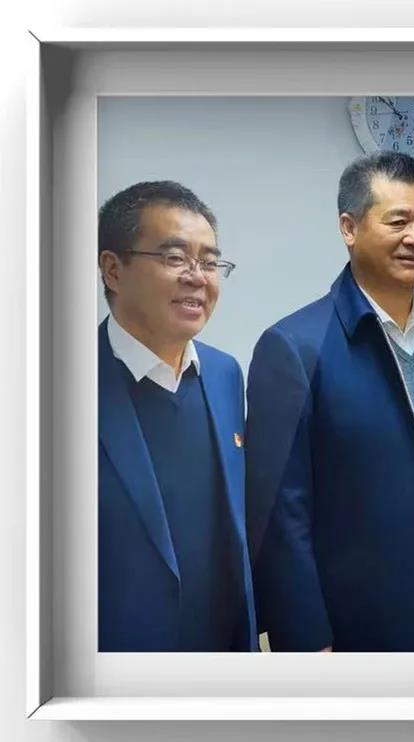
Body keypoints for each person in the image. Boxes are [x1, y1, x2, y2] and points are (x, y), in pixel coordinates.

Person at [245, 152, 414, 652]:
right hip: (357, 629)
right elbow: (279, 514)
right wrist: (307, 639)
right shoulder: (295, 348)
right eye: (398, 221)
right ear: (349, 227)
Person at [97, 181, 256, 651]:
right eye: (174, 258)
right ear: (113, 269)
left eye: (209, 262)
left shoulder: (225, 375)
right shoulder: (54, 383)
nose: (197, 277)